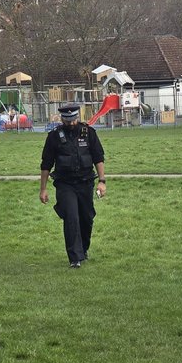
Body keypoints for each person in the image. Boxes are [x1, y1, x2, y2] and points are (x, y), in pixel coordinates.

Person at [39, 104, 106, 268]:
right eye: (66, 120)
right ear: (62, 119)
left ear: (77, 117)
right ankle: (75, 258)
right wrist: (43, 189)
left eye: (73, 119)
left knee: (86, 218)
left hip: (85, 182)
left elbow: (98, 158)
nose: (70, 123)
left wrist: (102, 181)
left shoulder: (89, 133)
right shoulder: (54, 136)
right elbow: (46, 164)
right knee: (71, 218)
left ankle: (83, 249)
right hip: (65, 184)